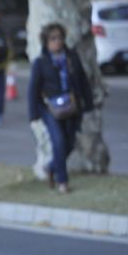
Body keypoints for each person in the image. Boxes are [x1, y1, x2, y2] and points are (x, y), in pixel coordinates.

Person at [27, 22, 94, 194]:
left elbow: (83, 81)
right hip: (50, 109)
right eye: (53, 38)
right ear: (46, 41)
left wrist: (88, 103)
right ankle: (62, 182)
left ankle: (51, 167)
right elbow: (33, 90)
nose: (57, 42)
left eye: (60, 38)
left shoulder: (72, 58)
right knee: (59, 141)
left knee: (69, 143)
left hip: (72, 107)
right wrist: (33, 114)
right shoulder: (40, 63)